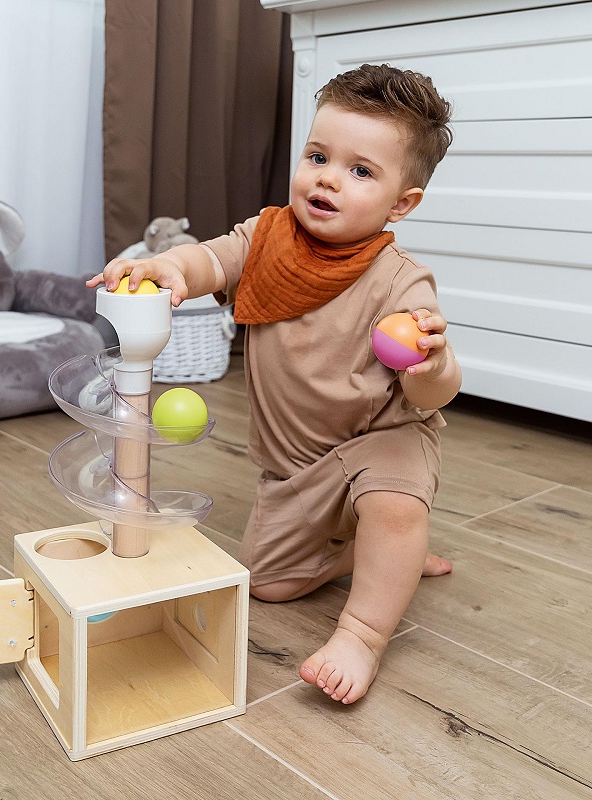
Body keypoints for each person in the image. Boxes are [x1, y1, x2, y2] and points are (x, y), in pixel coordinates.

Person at [88, 63, 462, 705]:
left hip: (381, 439)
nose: (328, 178)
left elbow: (437, 394)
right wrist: (169, 268)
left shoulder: (403, 282)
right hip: (295, 467)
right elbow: (208, 259)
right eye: (318, 155)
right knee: (266, 581)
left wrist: (431, 365)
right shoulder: (265, 236)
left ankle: (364, 631)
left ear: (403, 201)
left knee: (395, 505)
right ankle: (359, 555)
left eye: (361, 171)